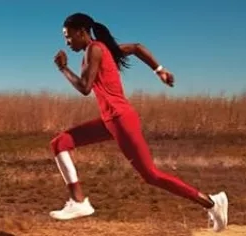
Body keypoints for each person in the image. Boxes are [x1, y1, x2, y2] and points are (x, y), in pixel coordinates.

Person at [49, 12, 229, 232]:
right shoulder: (102, 48)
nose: (67, 42)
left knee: (151, 175)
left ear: (81, 32)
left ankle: (211, 203)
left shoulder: (94, 50)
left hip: (120, 119)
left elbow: (85, 88)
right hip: (110, 119)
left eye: (68, 36)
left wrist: (63, 68)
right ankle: (78, 201)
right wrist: (159, 71)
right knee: (60, 143)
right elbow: (136, 47)